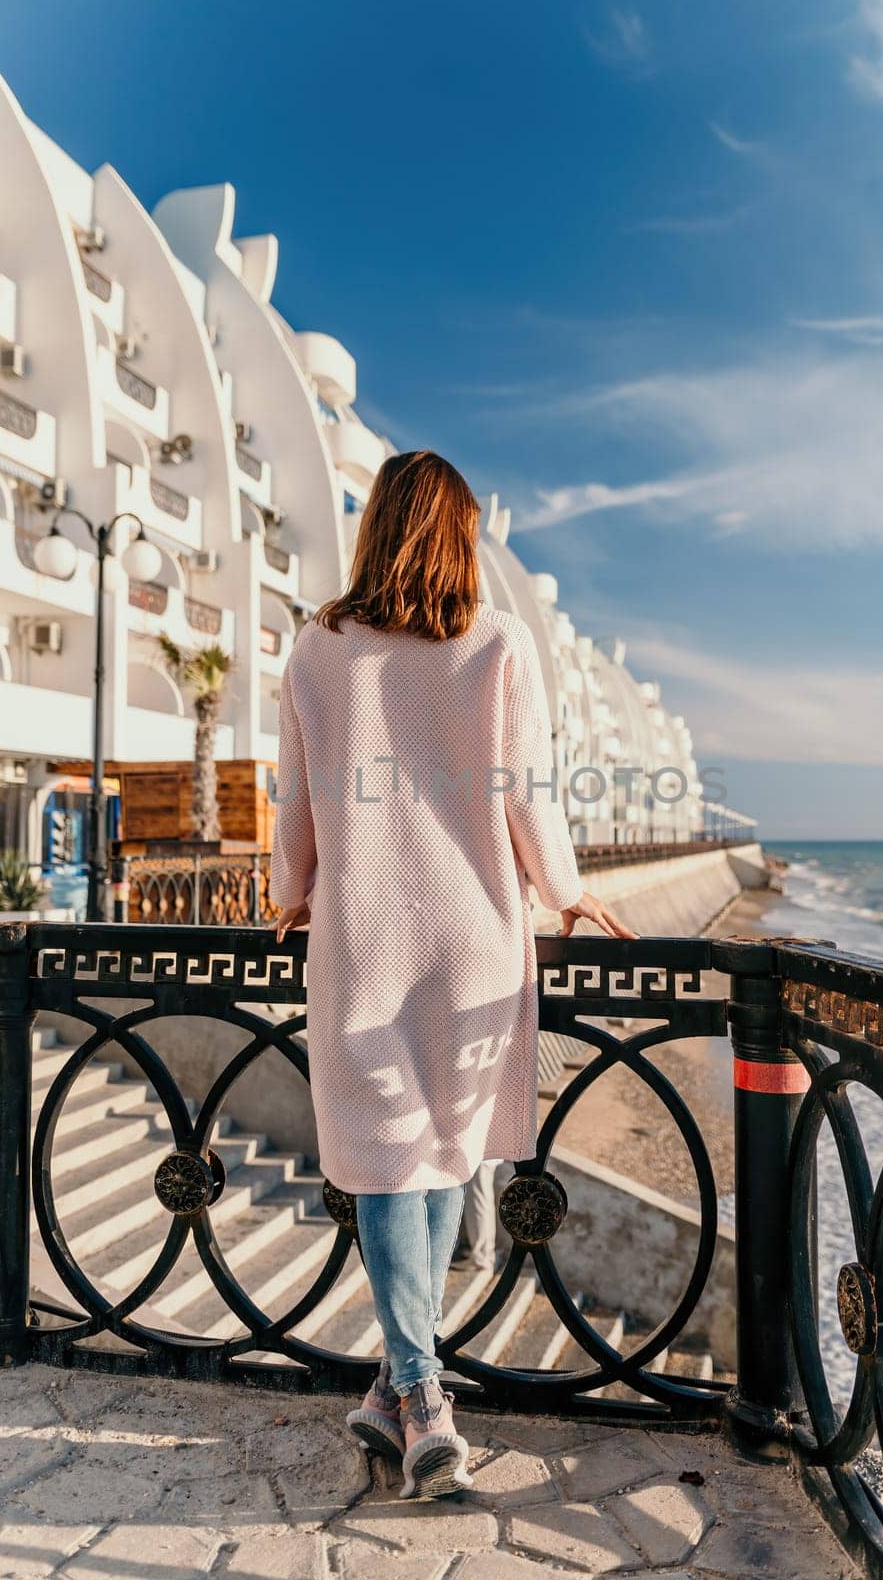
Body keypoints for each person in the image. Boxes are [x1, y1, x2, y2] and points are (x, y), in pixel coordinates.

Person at [270, 449, 636, 1499]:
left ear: (377, 527)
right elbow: (528, 795)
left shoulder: (314, 650)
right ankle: (410, 1390)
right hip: (475, 935)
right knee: (440, 1148)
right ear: (457, 536)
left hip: (365, 938)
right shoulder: (495, 643)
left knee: (395, 1155)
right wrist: (565, 891)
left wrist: (290, 887)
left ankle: (414, 1393)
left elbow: (294, 808)